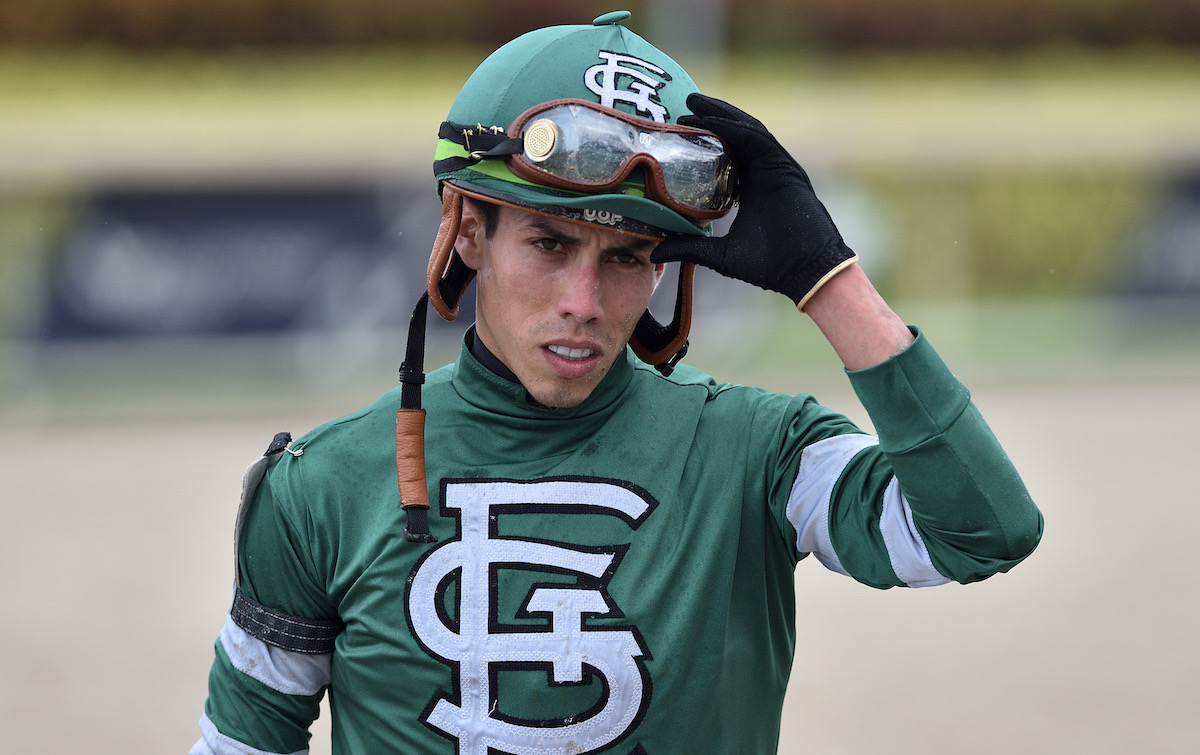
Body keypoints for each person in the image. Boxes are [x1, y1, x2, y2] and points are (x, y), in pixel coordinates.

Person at [193, 11, 1042, 754]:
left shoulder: (763, 453)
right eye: (549, 244)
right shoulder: (316, 488)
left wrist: (829, 280)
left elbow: (982, 531)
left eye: (629, 259)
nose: (586, 304)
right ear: (467, 230)